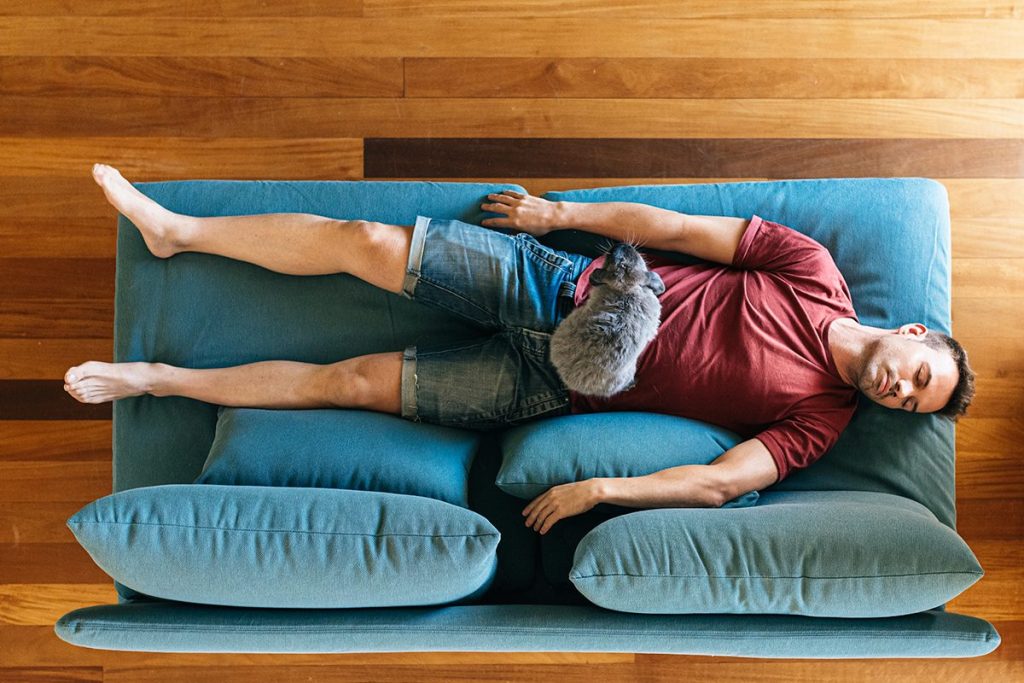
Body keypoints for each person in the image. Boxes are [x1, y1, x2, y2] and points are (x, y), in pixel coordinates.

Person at [64, 164, 976, 536]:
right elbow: (679, 228)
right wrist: (561, 215)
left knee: (348, 382)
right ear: (913, 335)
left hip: (553, 386)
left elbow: (723, 480)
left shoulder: (820, 420)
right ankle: (178, 232)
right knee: (366, 241)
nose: (899, 393)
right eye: (917, 377)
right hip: (560, 287)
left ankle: (156, 377)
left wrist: (602, 487)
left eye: (909, 405)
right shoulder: (812, 269)